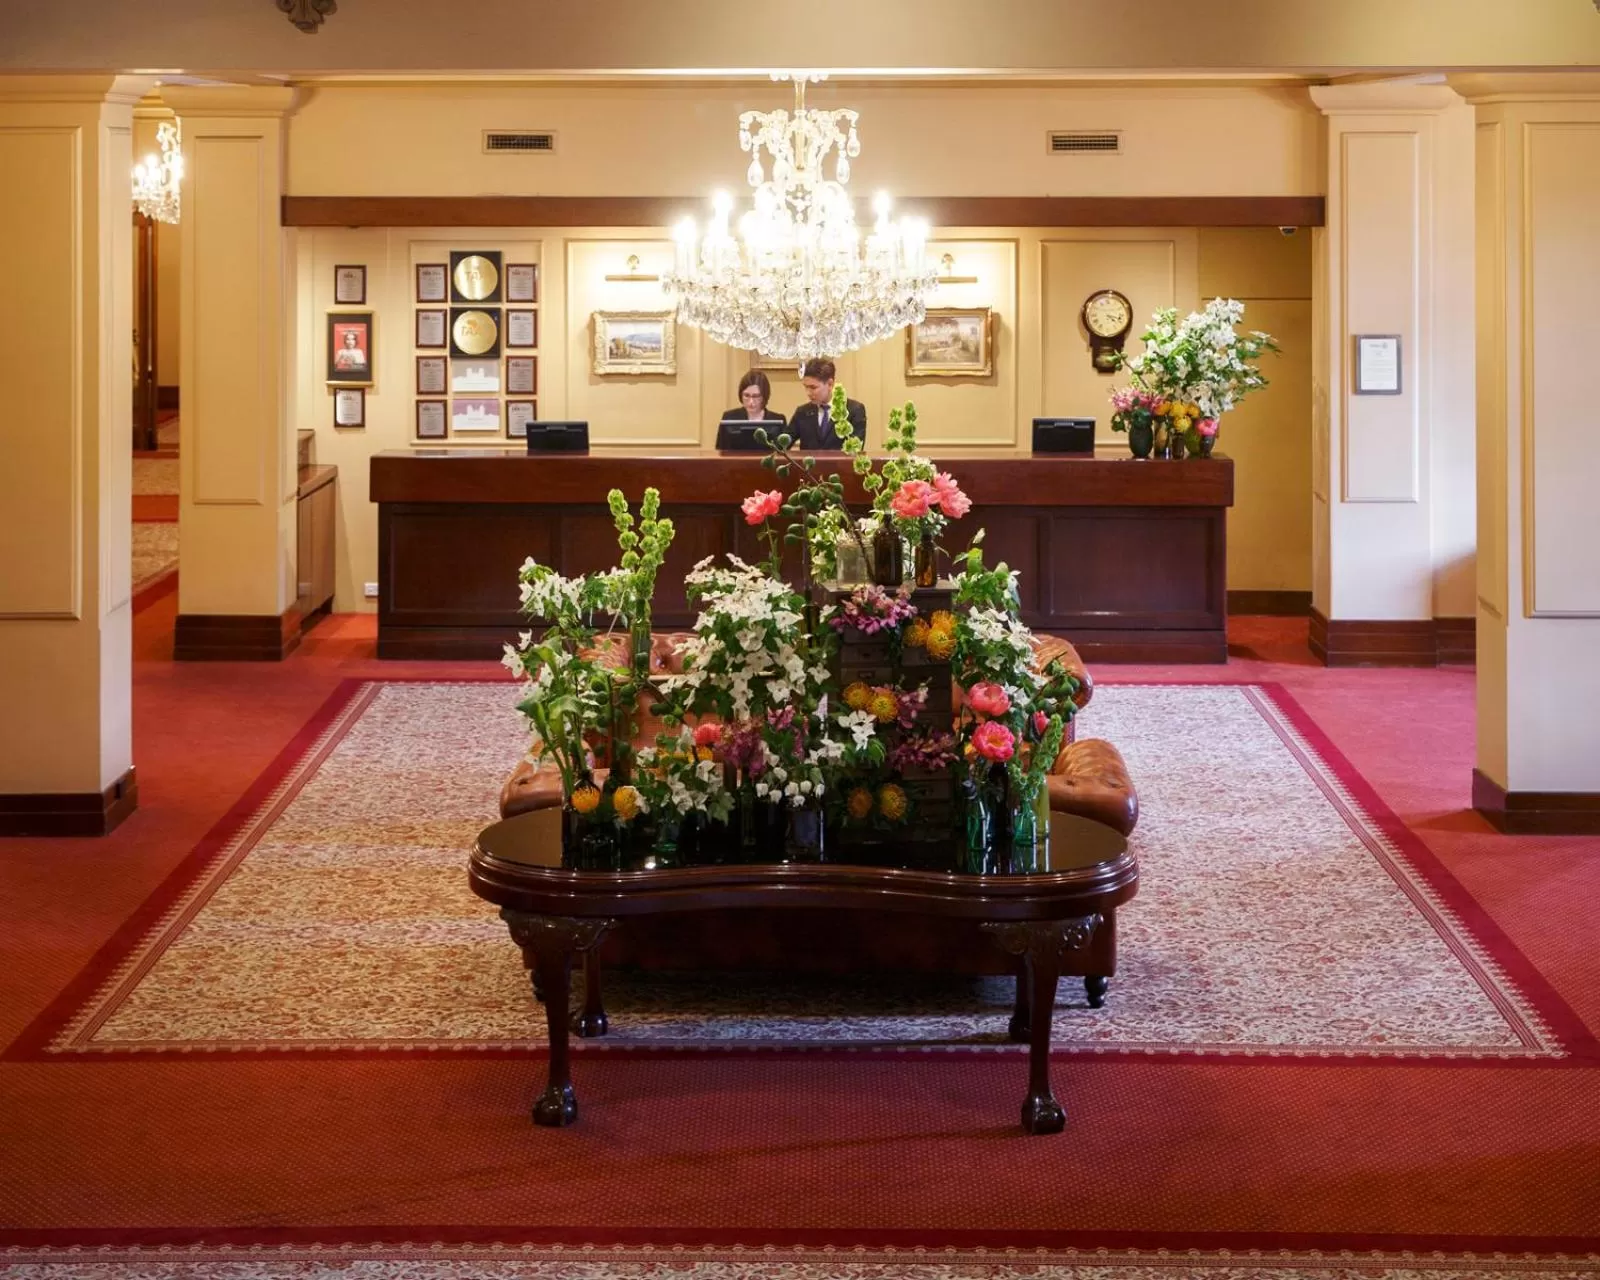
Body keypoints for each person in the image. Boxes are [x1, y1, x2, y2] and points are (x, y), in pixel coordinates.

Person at [788, 358, 866, 450]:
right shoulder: (802, 412)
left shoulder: (854, 410)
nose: (808, 393)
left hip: (840, 464)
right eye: (806, 387)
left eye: (813, 387)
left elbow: (856, 449)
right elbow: (783, 444)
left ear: (830, 384)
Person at [716, 369, 786, 451]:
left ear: (764, 396)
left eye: (756, 396)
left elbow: (783, 454)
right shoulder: (729, 417)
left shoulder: (778, 419)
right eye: (746, 395)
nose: (751, 402)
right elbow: (719, 450)